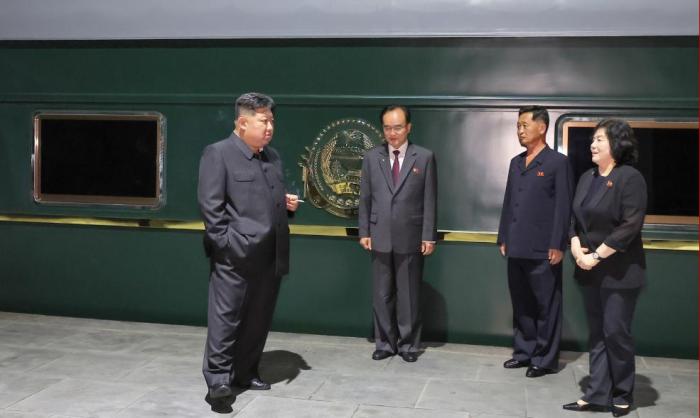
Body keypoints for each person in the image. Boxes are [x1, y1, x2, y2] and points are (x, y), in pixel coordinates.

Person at [197, 92, 300, 411]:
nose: (270, 127)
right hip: (234, 257)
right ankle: (218, 382)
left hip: (271, 255)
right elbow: (211, 207)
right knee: (225, 320)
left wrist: (285, 204)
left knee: (258, 319)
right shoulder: (218, 154)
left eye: (272, 121)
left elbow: (264, 201)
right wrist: (227, 246)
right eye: (263, 121)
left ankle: (245, 372)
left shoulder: (272, 157)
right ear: (242, 123)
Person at [563, 119, 646, 417]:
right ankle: (597, 393)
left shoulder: (630, 178)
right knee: (598, 334)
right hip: (588, 270)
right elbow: (573, 218)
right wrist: (574, 245)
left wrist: (596, 256)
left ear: (617, 144)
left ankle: (622, 392)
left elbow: (630, 226)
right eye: (593, 139)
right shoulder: (587, 177)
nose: (592, 145)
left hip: (620, 272)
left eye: (600, 139)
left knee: (615, 333)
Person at [497, 105, 573, 377]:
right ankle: (523, 353)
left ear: (542, 127)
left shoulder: (557, 163)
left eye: (525, 125)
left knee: (546, 306)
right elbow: (509, 202)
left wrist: (558, 244)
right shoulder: (516, 162)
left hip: (544, 249)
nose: (520, 130)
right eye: (518, 126)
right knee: (522, 304)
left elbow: (563, 206)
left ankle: (545, 359)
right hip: (516, 245)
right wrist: (503, 236)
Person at [358, 105, 437, 363]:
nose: (392, 133)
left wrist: (428, 235)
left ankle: (408, 345)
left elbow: (430, 199)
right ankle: (384, 343)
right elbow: (365, 197)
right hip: (379, 234)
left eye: (398, 127)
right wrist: (364, 230)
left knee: (408, 295)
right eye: (387, 128)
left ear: (408, 127)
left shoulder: (424, 157)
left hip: (411, 236)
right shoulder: (372, 157)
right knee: (381, 294)